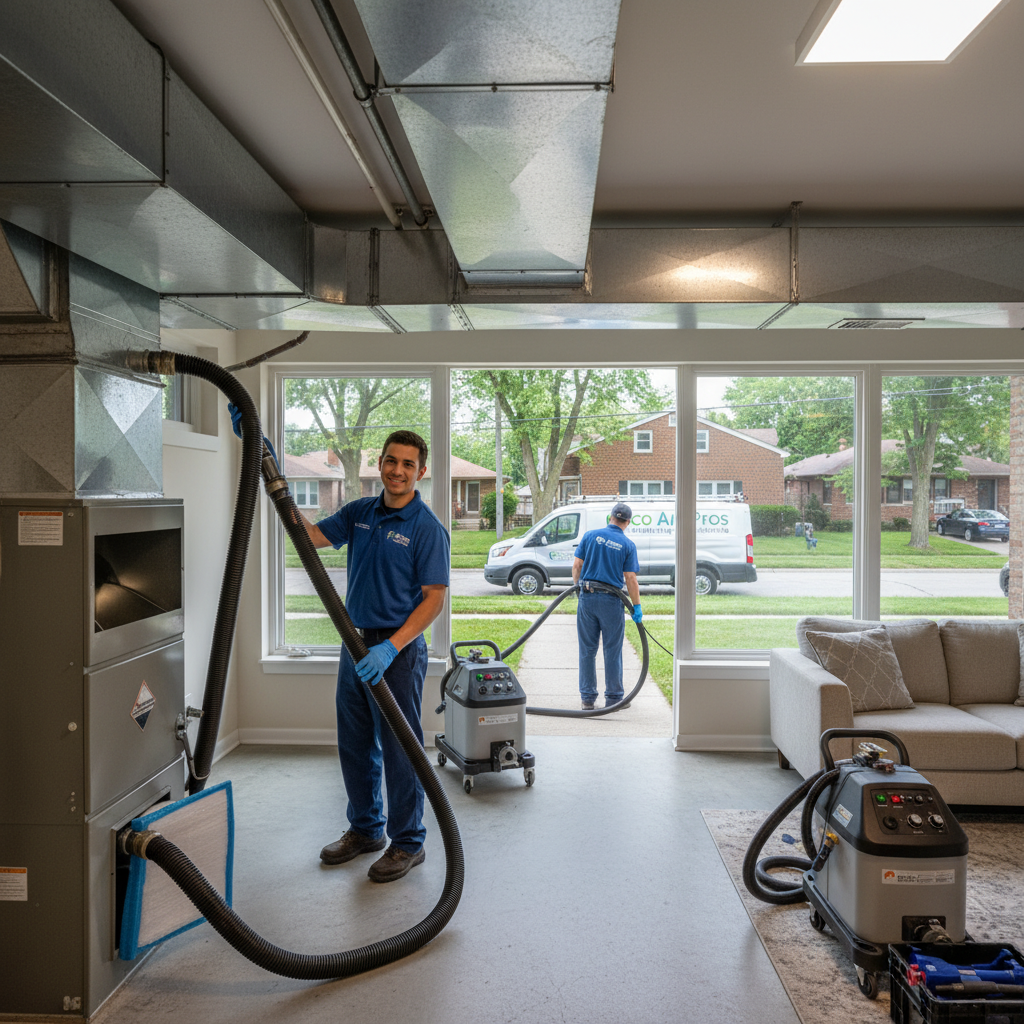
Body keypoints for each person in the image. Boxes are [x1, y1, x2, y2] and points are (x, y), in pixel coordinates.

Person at [300, 430, 450, 883]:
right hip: (355, 642)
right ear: (380, 464)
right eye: (391, 461)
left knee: (401, 749)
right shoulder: (361, 513)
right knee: (355, 741)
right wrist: (271, 473)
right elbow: (311, 538)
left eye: (408, 464)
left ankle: (408, 842)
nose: (398, 470)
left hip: (396, 652)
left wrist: (391, 647)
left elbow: (433, 599)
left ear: (420, 471)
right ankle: (366, 830)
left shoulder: (426, 527)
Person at [571, 502, 642, 710]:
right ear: (627, 522)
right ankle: (613, 698)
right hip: (611, 601)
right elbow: (630, 578)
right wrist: (636, 607)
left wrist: (578, 588)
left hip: (587, 597)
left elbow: (577, 566)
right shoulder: (627, 545)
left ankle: (587, 699)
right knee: (612, 650)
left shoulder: (590, 536)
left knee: (587, 650)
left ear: (610, 517)